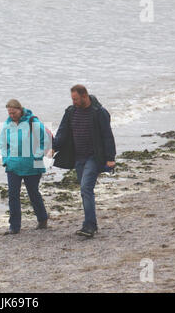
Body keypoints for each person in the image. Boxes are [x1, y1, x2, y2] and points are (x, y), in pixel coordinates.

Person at [52, 85, 116, 238]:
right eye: (72, 99)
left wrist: (110, 158)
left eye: (75, 99)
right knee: (85, 189)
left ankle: (89, 226)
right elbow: (63, 130)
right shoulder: (71, 111)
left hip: (94, 157)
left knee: (86, 188)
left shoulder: (99, 112)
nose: (73, 102)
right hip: (78, 157)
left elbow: (108, 135)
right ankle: (90, 223)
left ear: (85, 96)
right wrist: (54, 147)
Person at [0, 99, 51, 234]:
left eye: (14, 112)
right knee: (13, 195)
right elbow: (3, 143)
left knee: (33, 193)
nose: (12, 115)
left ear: (20, 109)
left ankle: (42, 219)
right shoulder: (7, 124)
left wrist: (37, 155)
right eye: (9, 113)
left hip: (33, 164)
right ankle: (14, 226)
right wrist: (6, 159)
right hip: (13, 164)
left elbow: (45, 141)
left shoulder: (33, 122)